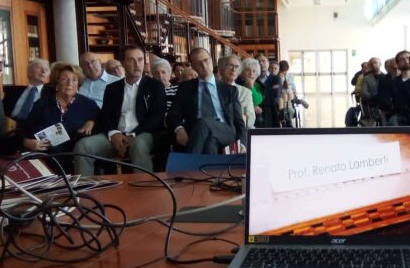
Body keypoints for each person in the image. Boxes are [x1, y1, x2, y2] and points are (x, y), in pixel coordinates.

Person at [74, 46, 166, 175]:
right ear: (123, 63)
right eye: (131, 60)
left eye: (140, 60)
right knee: (82, 146)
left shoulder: (155, 86)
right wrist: (114, 134)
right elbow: (105, 116)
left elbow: (156, 117)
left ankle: (145, 189)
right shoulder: (113, 88)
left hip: (143, 133)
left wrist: (132, 136)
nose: (137, 64)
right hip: (116, 135)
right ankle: (84, 190)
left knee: (138, 145)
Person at [166, 47, 246, 154]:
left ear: (211, 60)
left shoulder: (229, 90)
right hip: (197, 131)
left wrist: (242, 143)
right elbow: (172, 115)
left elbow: (239, 121)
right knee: (210, 144)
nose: (204, 65)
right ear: (193, 67)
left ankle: (188, 164)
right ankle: (207, 170)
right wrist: (179, 129)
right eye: (198, 63)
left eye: (206, 60)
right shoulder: (186, 88)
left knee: (203, 122)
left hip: (225, 130)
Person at [23, 64, 99, 173]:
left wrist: (92, 122)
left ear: (79, 83)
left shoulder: (88, 104)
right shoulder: (41, 104)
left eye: (74, 80)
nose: (70, 83)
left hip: (75, 158)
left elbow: (102, 123)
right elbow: (25, 131)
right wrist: (27, 142)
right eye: (64, 79)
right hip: (45, 157)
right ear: (56, 83)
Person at [3, 58, 52, 125]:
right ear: (30, 72)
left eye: (46, 70)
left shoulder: (51, 94)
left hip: (33, 129)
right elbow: (1, 112)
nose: (43, 71)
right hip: (10, 128)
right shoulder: (13, 91)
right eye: (39, 68)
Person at [240, 57, 279, 128]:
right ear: (242, 72)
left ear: (257, 73)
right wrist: (252, 106)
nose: (251, 73)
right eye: (248, 70)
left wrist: (251, 86)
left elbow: (258, 100)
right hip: (241, 120)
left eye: (254, 71)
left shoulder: (261, 86)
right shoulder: (238, 86)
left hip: (260, 121)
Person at [217, 55, 255, 129]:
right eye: (230, 66)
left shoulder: (245, 92)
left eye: (237, 67)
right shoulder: (213, 89)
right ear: (221, 69)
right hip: (217, 131)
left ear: (239, 72)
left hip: (238, 131)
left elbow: (251, 119)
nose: (233, 69)